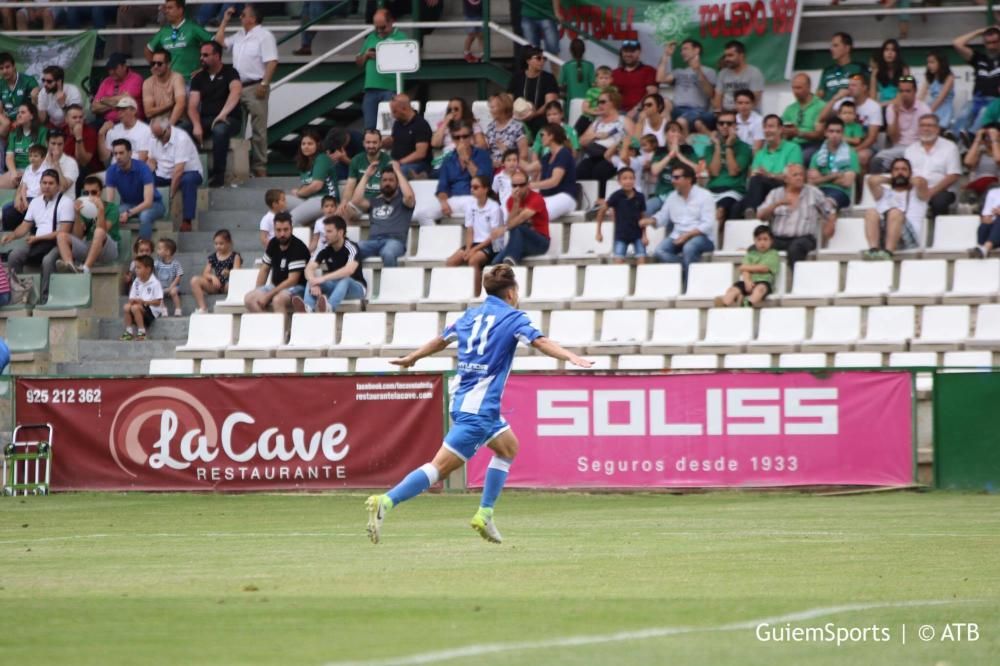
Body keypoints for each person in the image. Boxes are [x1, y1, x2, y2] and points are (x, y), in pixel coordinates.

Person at [365, 264, 592, 545]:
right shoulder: (513, 318)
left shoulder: (470, 315)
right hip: (479, 411)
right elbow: (540, 342)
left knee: (508, 447)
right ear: (511, 293)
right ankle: (386, 501)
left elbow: (440, 340)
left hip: (465, 400)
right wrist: (570, 356)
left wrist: (413, 357)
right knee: (439, 468)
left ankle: (485, 513)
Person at [215, 3, 278, 178]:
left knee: (258, 130)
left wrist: (264, 84)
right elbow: (219, 41)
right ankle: (239, 167)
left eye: (243, 15)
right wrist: (225, 20)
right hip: (236, 87)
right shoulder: (239, 35)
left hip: (255, 86)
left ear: (252, 18)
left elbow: (272, 62)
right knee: (236, 126)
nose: (240, 17)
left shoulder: (265, 36)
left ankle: (260, 168)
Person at [1, 169, 74, 301]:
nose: (47, 186)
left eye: (51, 183)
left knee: (48, 261)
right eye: (44, 183)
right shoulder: (35, 202)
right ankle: (18, 293)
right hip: (37, 242)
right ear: (40, 184)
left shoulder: (66, 202)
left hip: (57, 243)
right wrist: (12, 235)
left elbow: (64, 232)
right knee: (14, 255)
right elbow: (25, 226)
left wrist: (37, 238)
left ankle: (46, 298)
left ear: (58, 186)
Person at [640, 163, 715, 283]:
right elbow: (662, 217)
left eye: (676, 177)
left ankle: (688, 285)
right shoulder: (672, 196)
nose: (673, 181)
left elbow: (707, 224)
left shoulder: (705, 196)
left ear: (689, 179)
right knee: (659, 251)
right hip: (678, 235)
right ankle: (686, 269)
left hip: (701, 237)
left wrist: (687, 235)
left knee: (689, 247)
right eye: (672, 177)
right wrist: (651, 220)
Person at [758, 163, 836, 270]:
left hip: (804, 238)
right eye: (795, 175)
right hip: (778, 238)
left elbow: (830, 210)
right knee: (756, 248)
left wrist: (830, 223)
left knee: (795, 248)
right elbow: (761, 215)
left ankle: (796, 282)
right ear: (786, 179)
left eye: (801, 175)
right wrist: (777, 204)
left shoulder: (813, 192)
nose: (799, 178)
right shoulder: (775, 194)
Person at [186, 41, 242, 187]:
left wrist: (223, 114)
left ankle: (218, 175)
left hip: (230, 118)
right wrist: (197, 125)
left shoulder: (231, 72)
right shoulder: (198, 77)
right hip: (206, 119)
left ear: (217, 56)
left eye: (205, 55)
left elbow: (236, 92)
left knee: (219, 130)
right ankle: (194, 170)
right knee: (184, 128)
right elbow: (192, 106)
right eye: (201, 55)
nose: (201, 58)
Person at [415, 121, 493, 225]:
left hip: (474, 197)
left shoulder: (482, 155)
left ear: (471, 137)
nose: (461, 140)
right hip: (453, 199)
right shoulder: (449, 159)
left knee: (474, 209)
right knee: (422, 214)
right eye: (457, 137)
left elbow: (485, 182)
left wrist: (467, 160)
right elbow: (442, 186)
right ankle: (438, 239)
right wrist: (443, 202)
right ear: (452, 139)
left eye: (465, 136)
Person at [293, 215, 367, 313]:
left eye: (329, 231)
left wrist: (323, 278)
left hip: (356, 288)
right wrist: (314, 282)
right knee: (311, 280)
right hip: (334, 286)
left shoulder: (351, 247)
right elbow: (309, 268)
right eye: (325, 231)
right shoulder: (325, 247)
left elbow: (349, 270)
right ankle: (308, 308)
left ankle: (330, 308)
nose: (325, 235)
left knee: (345, 280)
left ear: (340, 232)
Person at [446, 175, 504, 296]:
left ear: (485, 189)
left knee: (473, 260)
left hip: (492, 245)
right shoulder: (470, 206)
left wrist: (474, 250)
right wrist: (468, 249)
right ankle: (456, 292)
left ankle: (476, 296)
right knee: (450, 262)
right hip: (475, 244)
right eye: (471, 187)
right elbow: (469, 230)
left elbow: (493, 236)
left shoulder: (494, 207)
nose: (472, 189)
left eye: (476, 187)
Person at [863, 158, 929, 259]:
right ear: (891, 173)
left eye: (904, 169)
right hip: (885, 236)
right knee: (871, 212)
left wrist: (905, 180)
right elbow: (872, 180)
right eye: (896, 170)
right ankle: (873, 251)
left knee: (895, 212)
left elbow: (921, 182)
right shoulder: (884, 193)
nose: (900, 172)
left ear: (910, 173)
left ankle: (888, 253)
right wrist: (893, 180)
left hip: (909, 239)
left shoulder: (917, 193)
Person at [353, 160, 416, 267]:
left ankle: (390, 283)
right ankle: (355, 282)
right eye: (384, 180)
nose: (387, 183)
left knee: (388, 253)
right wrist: (367, 175)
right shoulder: (374, 201)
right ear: (380, 183)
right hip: (372, 242)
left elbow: (410, 196)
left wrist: (397, 171)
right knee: (351, 250)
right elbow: (356, 200)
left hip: (394, 242)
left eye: (391, 180)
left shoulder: (404, 201)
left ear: (397, 183)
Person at [244, 212, 310, 313]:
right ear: (274, 230)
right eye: (278, 230)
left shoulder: (298, 247)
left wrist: (268, 295)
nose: (282, 234)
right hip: (275, 286)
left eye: (285, 230)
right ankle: (270, 325)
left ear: (291, 228)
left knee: (278, 300)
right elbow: (264, 270)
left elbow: (293, 280)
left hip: (297, 288)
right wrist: (258, 290)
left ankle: (281, 329)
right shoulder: (273, 243)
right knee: (249, 299)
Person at [54, 176, 120, 275]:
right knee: (61, 236)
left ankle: (85, 268)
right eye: (86, 193)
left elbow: (103, 231)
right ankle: (69, 265)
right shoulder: (84, 208)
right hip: (89, 245)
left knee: (99, 231)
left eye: (93, 192)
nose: (89, 196)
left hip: (108, 249)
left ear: (100, 192)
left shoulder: (112, 208)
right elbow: (79, 236)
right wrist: (77, 215)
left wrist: (100, 210)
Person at [148, 116, 204, 232]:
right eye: (156, 136)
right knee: (146, 181)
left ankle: (187, 221)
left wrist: (171, 195)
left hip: (187, 172)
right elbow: (151, 160)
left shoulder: (181, 138)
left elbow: (179, 171)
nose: (159, 139)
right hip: (163, 173)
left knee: (188, 181)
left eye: (161, 136)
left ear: (168, 128)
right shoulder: (154, 137)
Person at [742, 115, 804, 218]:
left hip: (783, 187)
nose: (767, 130)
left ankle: (753, 214)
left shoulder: (793, 148)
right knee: (736, 206)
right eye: (765, 127)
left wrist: (769, 175)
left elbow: (791, 176)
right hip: (761, 189)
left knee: (758, 180)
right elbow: (753, 175)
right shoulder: (760, 154)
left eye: (771, 127)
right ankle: (751, 214)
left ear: (780, 129)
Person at [355, 10, 408, 131]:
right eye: (376, 27)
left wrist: (385, 55)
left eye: (383, 27)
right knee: (370, 128)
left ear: (391, 22)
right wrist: (366, 55)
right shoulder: (370, 38)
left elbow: (407, 59)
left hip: (390, 88)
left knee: (389, 128)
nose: (379, 31)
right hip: (370, 89)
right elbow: (358, 63)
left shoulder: (401, 37)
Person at [104, 138, 166, 241]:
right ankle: (109, 246)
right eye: (115, 154)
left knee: (145, 216)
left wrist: (128, 213)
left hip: (154, 204)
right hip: (128, 204)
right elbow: (110, 202)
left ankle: (143, 249)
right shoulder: (111, 171)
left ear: (130, 153)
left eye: (121, 153)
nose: (118, 157)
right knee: (111, 215)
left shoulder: (143, 168)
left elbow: (148, 202)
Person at [903, 114, 961, 217]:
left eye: (929, 125)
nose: (925, 128)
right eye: (922, 125)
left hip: (942, 190)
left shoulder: (950, 147)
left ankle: (938, 231)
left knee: (939, 202)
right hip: (915, 190)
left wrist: (931, 192)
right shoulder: (910, 150)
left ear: (937, 129)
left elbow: (953, 175)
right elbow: (906, 173)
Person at [872, 76, 931, 174]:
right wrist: (896, 115)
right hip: (898, 148)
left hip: (918, 148)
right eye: (901, 91)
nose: (904, 94)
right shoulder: (892, 108)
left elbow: (926, 139)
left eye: (908, 91)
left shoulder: (924, 110)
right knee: (877, 160)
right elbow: (894, 139)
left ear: (915, 92)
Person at [578, 89, 630, 198]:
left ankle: (601, 200)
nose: (599, 105)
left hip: (612, 156)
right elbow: (581, 141)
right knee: (580, 170)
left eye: (602, 102)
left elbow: (633, 140)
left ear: (613, 103)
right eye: (598, 102)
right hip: (594, 154)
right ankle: (584, 201)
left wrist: (618, 146)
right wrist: (595, 135)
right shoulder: (597, 122)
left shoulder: (624, 120)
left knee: (600, 171)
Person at [491, 168, 550, 265]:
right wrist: (516, 203)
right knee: (495, 263)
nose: (517, 188)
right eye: (514, 185)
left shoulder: (537, 198)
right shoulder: (511, 200)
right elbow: (511, 223)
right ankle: (509, 261)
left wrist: (504, 228)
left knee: (517, 227)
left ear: (528, 185)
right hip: (519, 242)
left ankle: (511, 261)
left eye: (521, 185)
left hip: (540, 242)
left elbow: (521, 218)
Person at [703, 109, 753, 224]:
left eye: (729, 123)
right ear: (717, 126)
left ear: (735, 126)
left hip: (733, 191)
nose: (725, 126)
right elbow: (714, 172)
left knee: (720, 210)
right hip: (711, 191)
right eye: (721, 123)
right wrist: (717, 147)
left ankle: (718, 240)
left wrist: (729, 146)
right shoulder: (710, 148)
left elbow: (733, 171)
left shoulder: (744, 148)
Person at [951, 26, 1000, 138]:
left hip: (995, 101)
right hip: (977, 99)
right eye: (988, 43)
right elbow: (956, 43)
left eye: (995, 42)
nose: (991, 46)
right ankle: (954, 137)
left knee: (983, 112)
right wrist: (979, 31)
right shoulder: (979, 58)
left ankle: (970, 137)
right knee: (964, 113)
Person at [657, 39, 716, 133]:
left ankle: (681, 145)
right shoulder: (679, 71)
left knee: (681, 121)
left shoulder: (709, 71)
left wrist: (698, 70)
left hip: (697, 111)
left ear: (696, 50)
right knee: (665, 102)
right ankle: (665, 137)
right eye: (681, 50)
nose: (682, 52)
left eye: (685, 49)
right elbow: (659, 79)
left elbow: (710, 93)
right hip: (677, 109)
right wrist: (666, 55)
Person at [145, 0, 214, 79]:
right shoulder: (163, 31)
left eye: (170, 8)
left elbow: (215, 46)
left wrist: (204, 69)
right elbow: (148, 50)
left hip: (190, 81)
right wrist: (155, 67)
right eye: (166, 8)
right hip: (169, 82)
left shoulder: (193, 28)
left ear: (180, 10)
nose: (166, 11)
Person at [714, 225, 779, 307]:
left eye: (765, 239)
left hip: (764, 282)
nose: (762, 242)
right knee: (733, 289)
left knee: (760, 289)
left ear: (771, 241)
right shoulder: (750, 254)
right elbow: (744, 271)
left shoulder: (773, 254)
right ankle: (724, 303)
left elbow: (764, 268)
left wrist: (746, 267)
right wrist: (747, 281)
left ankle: (747, 303)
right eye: (759, 239)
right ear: (754, 241)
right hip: (748, 282)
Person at [286, 128, 338, 227]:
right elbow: (307, 186)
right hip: (310, 199)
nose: (306, 147)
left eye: (310, 144)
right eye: (303, 144)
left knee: (292, 218)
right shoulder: (304, 162)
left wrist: (299, 192)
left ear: (317, 145)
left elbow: (316, 186)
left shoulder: (322, 158)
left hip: (325, 200)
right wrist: (301, 191)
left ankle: (298, 241)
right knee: (281, 202)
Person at [596, 167, 647, 263]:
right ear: (619, 181)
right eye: (625, 178)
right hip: (621, 235)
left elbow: (643, 216)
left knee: (642, 260)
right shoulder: (616, 196)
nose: (628, 181)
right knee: (618, 262)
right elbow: (601, 211)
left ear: (634, 180)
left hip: (638, 235)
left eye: (631, 178)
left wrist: (645, 235)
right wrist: (598, 232)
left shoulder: (640, 197)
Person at [808, 118, 859, 212]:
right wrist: (834, 176)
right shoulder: (817, 155)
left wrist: (822, 177)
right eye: (831, 131)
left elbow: (847, 182)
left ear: (842, 134)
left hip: (841, 192)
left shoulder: (851, 154)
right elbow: (812, 181)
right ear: (825, 133)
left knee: (827, 204)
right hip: (819, 191)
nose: (834, 135)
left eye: (838, 132)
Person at [647, 121, 698, 215]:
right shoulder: (660, 151)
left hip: (682, 195)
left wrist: (678, 154)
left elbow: (695, 169)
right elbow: (654, 170)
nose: (676, 134)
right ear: (666, 135)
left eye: (679, 132)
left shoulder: (688, 149)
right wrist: (670, 155)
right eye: (673, 131)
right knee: (647, 207)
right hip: (662, 195)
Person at [339, 129, 391, 220]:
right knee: (342, 211)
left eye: (374, 142)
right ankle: (344, 234)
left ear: (380, 143)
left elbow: (390, 191)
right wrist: (344, 202)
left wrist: (372, 202)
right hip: (360, 202)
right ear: (363, 143)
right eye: (368, 142)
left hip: (380, 201)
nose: (371, 145)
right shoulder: (356, 160)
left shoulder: (388, 161)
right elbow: (350, 186)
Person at [508, 47, 560, 135]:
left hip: (540, 117)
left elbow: (549, 103)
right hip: (518, 117)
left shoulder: (548, 78)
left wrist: (533, 114)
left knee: (542, 124)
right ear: (528, 61)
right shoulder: (517, 77)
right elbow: (508, 99)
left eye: (544, 59)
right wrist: (518, 114)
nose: (542, 61)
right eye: (538, 58)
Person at [529, 123, 576, 221]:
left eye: (543, 135)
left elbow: (554, 181)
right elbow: (530, 170)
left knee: (539, 214)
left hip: (565, 196)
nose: (540, 138)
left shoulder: (564, 154)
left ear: (551, 136)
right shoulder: (547, 156)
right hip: (548, 196)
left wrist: (532, 185)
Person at [191, 229, 242, 313]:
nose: (218, 246)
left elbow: (238, 273)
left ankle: (230, 305)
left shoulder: (235, 256)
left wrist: (229, 272)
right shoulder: (213, 257)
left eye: (221, 243)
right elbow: (205, 273)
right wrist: (212, 277)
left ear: (229, 243)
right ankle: (203, 308)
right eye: (216, 244)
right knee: (194, 280)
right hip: (216, 284)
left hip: (228, 284)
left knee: (231, 284)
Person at [781, 73, 826, 167]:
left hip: (813, 145)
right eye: (793, 88)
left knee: (799, 158)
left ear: (809, 87)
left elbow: (820, 135)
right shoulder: (790, 109)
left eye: (799, 88)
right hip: (792, 144)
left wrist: (798, 133)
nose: (795, 91)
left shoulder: (821, 106)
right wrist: (785, 133)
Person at [430, 98, 488, 169]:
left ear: (463, 110)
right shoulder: (444, 125)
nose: (453, 112)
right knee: (435, 163)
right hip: (448, 155)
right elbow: (435, 143)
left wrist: (466, 147)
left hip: (466, 155)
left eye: (456, 109)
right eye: (450, 110)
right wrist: (445, 123)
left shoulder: (472, 124)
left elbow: (482, 145)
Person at [0, 102, 46, 189]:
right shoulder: (14, 133)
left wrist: (29, 172)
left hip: (36, 171)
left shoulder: (42, 132)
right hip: (17, 171)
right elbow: (9, 157)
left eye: (23, 112)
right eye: (18, 113)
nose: (19, 115)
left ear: (32, 116)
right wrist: (13, 172)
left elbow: (45, 157)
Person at [386, 93, 432, 179]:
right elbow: (393, 139)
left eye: (394, 111)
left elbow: (420, 153)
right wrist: (380, 143)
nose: (392, 115)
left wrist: (399, 163)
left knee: (400, 171)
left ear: (404, 109)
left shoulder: (421, 124)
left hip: (418, 164)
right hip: (397, 162)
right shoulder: (397, 123)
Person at [1, 144, 45, 231]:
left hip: (39, 199)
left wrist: (31, 204)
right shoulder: (28, 169)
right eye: (30, 156)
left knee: (33, 211)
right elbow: (23, 187)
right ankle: (8, 231)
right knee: (6, 209)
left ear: (43, 158)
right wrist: (23, 201)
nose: (32, 158)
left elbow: (43, 191)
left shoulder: (46, 170)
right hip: (26, 198)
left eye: (36, 156)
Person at [91, 54, 145, 125]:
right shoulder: (106, 81)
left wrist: (104, 100)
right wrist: (116, 103)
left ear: (124, 67)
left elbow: (126, 99)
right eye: (110, 69)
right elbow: (94, 107)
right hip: (106, 121)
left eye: (115, 68)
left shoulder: (136, 79)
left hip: (130, 122)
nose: (112, 72)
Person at [121, 255, 166, 341]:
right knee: (127, 307)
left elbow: (158, 302)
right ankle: (129, 332)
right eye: (135, 268)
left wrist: (144, 302)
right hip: (139, 307)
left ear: (148, 269)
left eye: (138, 268)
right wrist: (133, 301)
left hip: (152, 311)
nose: (136, 270)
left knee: (135, 308)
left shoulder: (155, 283)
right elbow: (131, 297)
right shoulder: (136, 281)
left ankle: (142, 332)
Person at [99, 97, 154, 164]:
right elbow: (104, 158)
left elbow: (141, 160)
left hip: (134, 170)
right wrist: (101, 134)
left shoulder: (145, 130)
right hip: (114, 169)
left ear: (134, 111)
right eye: (118, 110)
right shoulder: (113, 130)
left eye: (123, 109)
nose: (120, 112)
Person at [713, 40, 764, 112]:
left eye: (730, 55)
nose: (726, 59)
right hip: (726, 113)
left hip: (747, 113)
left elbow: (754, 99)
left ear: (741, 56)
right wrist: (719, 113)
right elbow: (718, 97)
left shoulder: (754, 73)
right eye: (726, 56)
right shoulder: (723, 73)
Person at [142, 49, 187, 130]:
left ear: (168, 64)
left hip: (177, 121)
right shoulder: (147, 82)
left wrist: (169, 126)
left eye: (159, 64)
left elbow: (180, 104)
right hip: (156, 122)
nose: (155, 66)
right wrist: (169, 106)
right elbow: (148, 112)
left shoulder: (177, 78)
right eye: (153, 63)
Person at [613, 40, 658, 119]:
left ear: (639, 53)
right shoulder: (615, 73)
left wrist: (636, 109)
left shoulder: (649, 70)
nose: (628, 54)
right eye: (625, 51)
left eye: (632, 51)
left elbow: (652, 93)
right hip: (619, 112)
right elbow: (610, 94)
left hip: (641, 111)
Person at [0, 52, 39, 142]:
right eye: (1, 68)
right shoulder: (1, 84)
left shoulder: (28, 80)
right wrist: (6, 123)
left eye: (7, 67)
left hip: (25, 122)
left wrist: (19, 122)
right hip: (8, 125)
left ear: (14, 66)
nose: (5, 71)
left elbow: (35, 107)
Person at [817, 32, 868, 100]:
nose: (831, 49)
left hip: (850, 109)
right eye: (831, 46)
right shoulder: (827, 71)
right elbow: (819, 95)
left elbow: (867, 93)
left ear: (847, 48)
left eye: (836, 45)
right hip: (828, 108)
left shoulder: (859, 68)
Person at [485, 92, 529, 169]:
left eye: (492, 107)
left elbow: (524, 154)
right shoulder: (490, 127)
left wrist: (507, 162)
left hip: (512, 168)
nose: (490, 111)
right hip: (492, 168)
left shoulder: (517, 127)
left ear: (502, 107)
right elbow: (488, 152)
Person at [963, 125, 1000, 205]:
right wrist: (978, 139)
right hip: (979, 186)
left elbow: (998, 160)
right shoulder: (981, 151)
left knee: (992, 186)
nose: (988, 139)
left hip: (996, 186)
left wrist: (994, 140)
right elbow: (968, 162)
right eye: (986, 137)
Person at [63, 105, 101, 179]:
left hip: (88, 171)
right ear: (66, 119)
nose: (78, 120)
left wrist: (78, 137)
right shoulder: (63, 130)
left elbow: (83, 162)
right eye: (74, 117)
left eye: (80, 117)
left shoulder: (90, 133)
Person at [920, 51, 955, 131]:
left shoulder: (949, 77)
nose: (929, 65)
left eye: (932, 62)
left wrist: (928, 112)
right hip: (931, 105)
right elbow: (921, 95)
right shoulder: (929, 77)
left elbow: (941, 98)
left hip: (944, 107)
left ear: (941, 63)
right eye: (928, 62)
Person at [577, 66, 615, 135]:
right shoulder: (591, 91)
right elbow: (584, 108)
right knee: (575, 135)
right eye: (601, 78)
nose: (603, 81)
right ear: (596, 79)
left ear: (611, 80)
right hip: (588, 118)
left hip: (603, 120)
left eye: (606, 78)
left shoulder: (613, 91)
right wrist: (597, 113)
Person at [870, 39, 909, 106]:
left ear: (897, 53)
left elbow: (903, 96)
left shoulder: (905, 70)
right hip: (881, 107)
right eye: (886, 50)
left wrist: (881, 104)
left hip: (899, 106)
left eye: (893, 50)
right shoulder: (876, 72)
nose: (889, 53)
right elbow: (872, 97)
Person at [41, 130, 79, 195]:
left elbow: (64, 187)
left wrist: (56, 164)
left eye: (60, 144)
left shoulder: (71, 163)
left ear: (64, 144)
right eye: (53, 143)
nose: (56, 147)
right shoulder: (41, 159)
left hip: (64, 201)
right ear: (47, 143)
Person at [559, 38, 595, 103]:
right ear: (584, 50)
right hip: (587, 103)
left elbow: (561, 86)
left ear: (570, 50)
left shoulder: (566, 66)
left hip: (570, 103)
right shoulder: (590, 66)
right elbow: (593, 85)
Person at [154, 238, 184, 316]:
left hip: (173, 286)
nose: (157, 251)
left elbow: (179, 276)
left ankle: (178, 309)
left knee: (173, 292)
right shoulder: (158, 262)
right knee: (157, 293)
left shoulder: (175, 264)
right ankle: (163, 309)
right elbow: (151, 268)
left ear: (167, 252)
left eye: (160, 249)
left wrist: (171, 287)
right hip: (162, 287)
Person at [493, 148, 519, 215]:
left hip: (519, 207)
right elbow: (492, 194)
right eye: (509, 160)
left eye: (514, 160)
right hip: (504, 209)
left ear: (518, 162)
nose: (512, 163)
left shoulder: (522, 176)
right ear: (503, 163)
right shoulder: (498, 177)